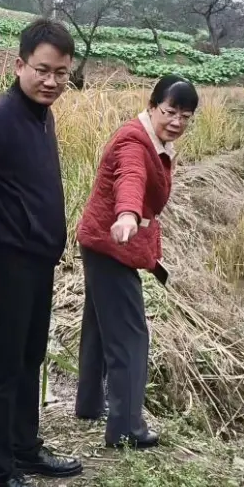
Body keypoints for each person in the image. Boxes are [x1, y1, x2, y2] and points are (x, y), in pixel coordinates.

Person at [0, 18, 82, 487]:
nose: (52, 81)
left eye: (61, 73)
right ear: (19, 65)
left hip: (39, 263)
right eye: (43, 70)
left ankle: (24, 446)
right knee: (2, 368)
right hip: (8, 264)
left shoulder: (42, 116)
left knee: (31, 356)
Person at [73, 75, 199, 449]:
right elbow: (130, 176)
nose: (176, 122)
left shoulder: (153, 139)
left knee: (99, 325)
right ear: (152, 106)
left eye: (185, 116)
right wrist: (127, 214)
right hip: (112, 244)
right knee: (131, 336)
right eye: (170, 111)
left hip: (103, 242)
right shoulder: (134, 141)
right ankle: (126, 427)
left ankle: (89, 404)